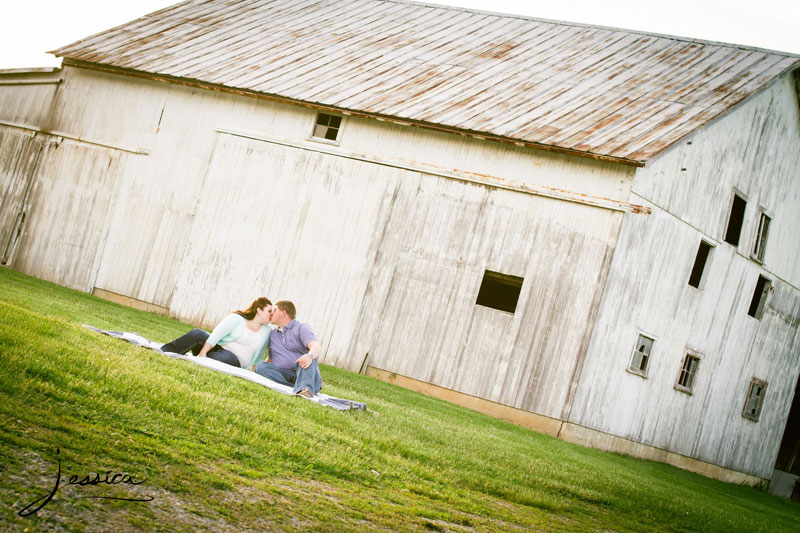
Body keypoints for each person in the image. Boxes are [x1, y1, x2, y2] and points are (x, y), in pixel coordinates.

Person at [160, 297, 272, 370]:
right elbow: (216, 335)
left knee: (226, 356)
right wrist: (203, 352)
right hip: (216, 349)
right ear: (259, 310)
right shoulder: (236, 319)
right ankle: (165, 351)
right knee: (197, 333)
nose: (271, 314)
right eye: (269, 311)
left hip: (234, 360)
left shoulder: (267, 330)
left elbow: (260, 355)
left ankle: (202, 361)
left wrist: (252, 373)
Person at [255, 300, 322, 398]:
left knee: (305, 359)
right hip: (283, 375)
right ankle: (299, 388)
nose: (271, 313)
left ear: (283, 312)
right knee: (261, 366)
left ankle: (306, 388)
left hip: (304, 372)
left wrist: (309, 356)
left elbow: (316, 346)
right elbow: (270, 359)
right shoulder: (273, 334)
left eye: (274, 310)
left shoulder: (301, 327)